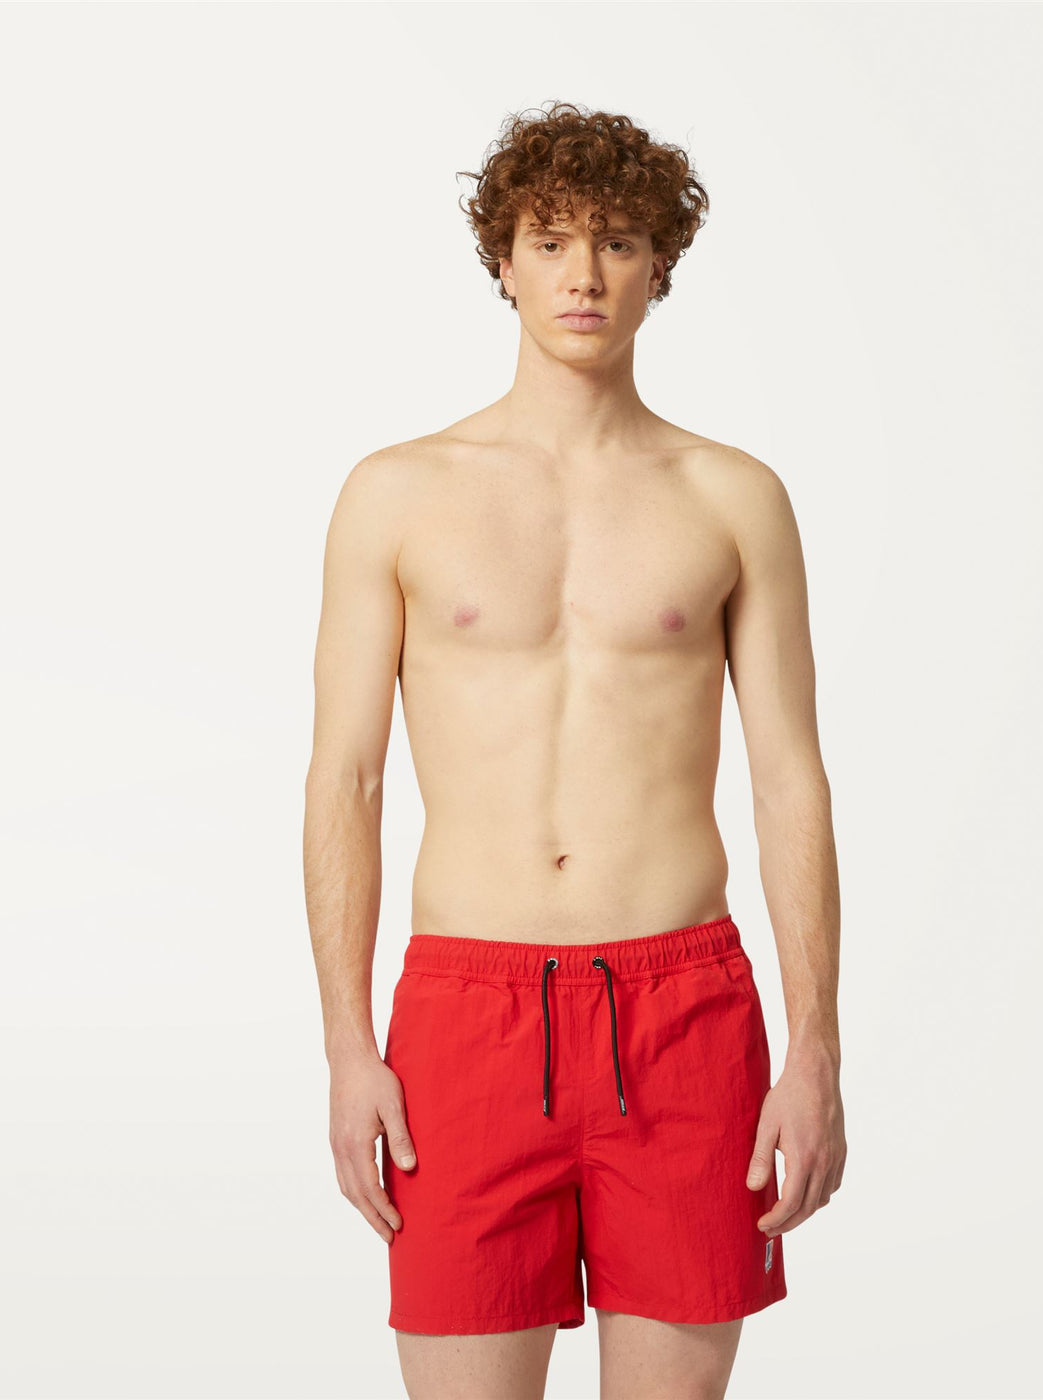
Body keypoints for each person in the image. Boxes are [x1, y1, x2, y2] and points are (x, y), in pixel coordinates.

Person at [303, 100, 845, 1400]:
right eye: (551, 242)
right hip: (465, 1015)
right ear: (504, 261)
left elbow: (790, 780)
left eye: (617, 241)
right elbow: (347, 780)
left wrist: (816, 1049)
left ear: (662, 263)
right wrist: (347, 1047)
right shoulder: (398, 493)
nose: (584, 275)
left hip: (684, 1013)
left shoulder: (732, 497)